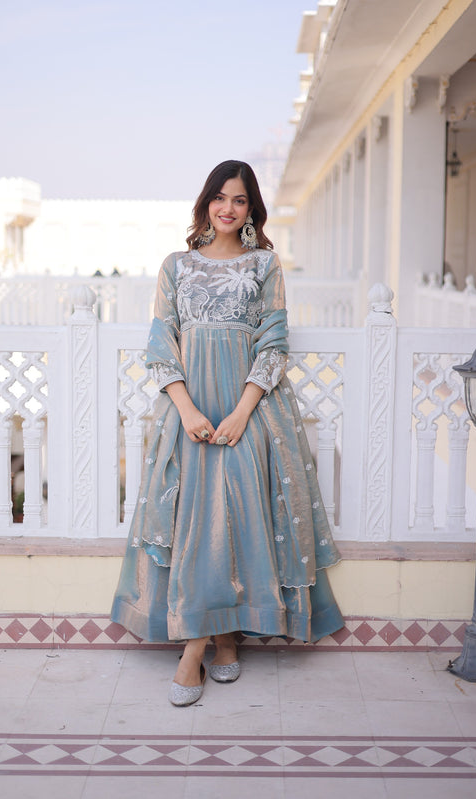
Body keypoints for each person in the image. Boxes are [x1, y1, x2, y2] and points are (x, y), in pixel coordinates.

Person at [111, 160, 343, 706]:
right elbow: (160, 342)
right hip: (190, 409)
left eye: (239, 200)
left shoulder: (265, 264)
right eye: (219, 197)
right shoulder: (177, 266)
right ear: (205, 204)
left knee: (240, 517)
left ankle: (217, 640)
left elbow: (274, 342)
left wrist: (242, 412)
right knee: (195, 520)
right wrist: (188, 409)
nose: (227, 208)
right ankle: (208, 643)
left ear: (251, 209)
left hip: (251, 407)